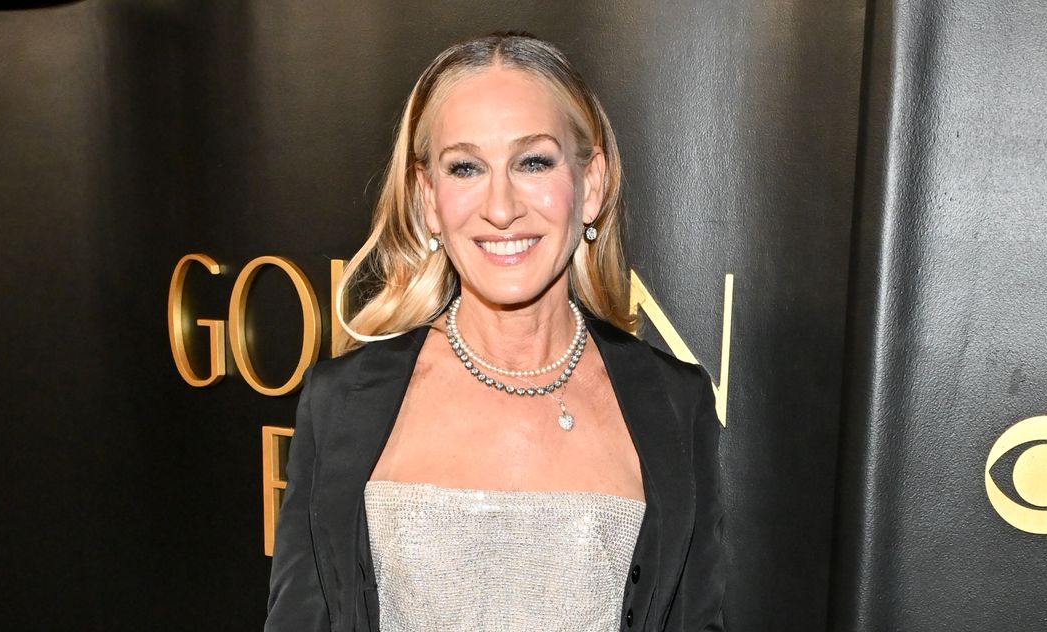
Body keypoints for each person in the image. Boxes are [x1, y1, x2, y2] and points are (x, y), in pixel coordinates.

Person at [265, 32, 725, 632]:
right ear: (428, 198)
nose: (501, 208)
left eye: (533, 162)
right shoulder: (340, 403)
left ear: (591, 184)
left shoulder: (675, 404)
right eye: (465, 168)